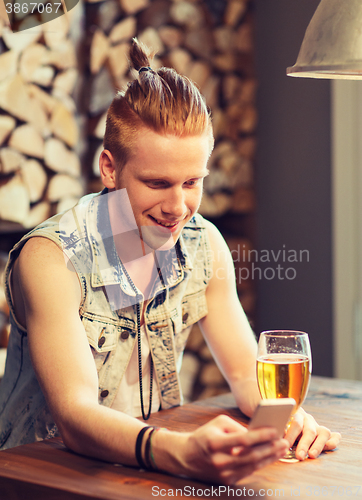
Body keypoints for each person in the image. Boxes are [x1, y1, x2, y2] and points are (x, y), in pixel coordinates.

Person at [0, 39, 340, 485]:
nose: (178, 206)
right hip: (39, 481)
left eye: (192, 181)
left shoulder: (204, 245)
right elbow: (75, 413)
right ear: (109, 167)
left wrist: (287, 420)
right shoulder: (50, 258)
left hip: (138, 475)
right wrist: (178, 451)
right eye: (158, 183)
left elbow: (243, 372)